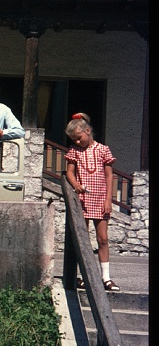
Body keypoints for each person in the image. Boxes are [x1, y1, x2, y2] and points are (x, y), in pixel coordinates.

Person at [65, 113, 119, 291]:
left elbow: (109, 175)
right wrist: (76, 185)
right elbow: (70, 173)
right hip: (83, 199)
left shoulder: (103, 150)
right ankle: (82, 275)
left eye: (79, 138)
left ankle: (106, 277)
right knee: (83, 239)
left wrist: (108, 200)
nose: (78, 142)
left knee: (102, 238)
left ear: (88, 131)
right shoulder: (74, 151)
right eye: (74, 140)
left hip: (100, 198)